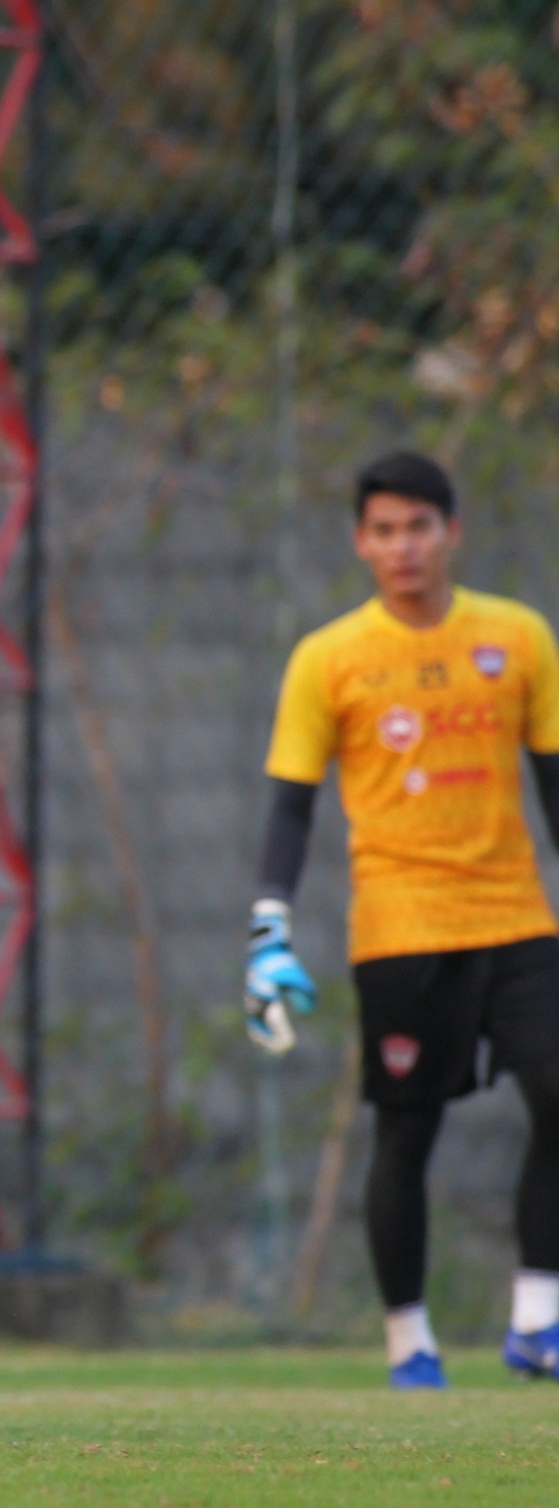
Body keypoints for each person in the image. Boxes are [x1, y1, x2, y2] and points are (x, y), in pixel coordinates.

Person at [246, 451, 559, 1389]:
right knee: (406, 1132)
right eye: (383, 531)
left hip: (514, 914)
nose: (403, 547)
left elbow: (554, 785)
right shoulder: (329, 658)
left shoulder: (519, 638)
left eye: (418, 527)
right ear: (361, 543)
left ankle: (537, 1319)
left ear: (451, 533)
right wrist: (269, 928)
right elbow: (290, 805)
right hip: (401, 926)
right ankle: (409, 1339)